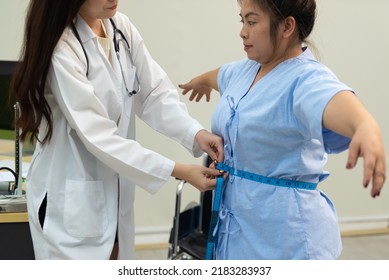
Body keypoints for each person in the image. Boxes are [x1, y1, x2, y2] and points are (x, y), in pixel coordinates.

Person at [10, 0, 223, 260]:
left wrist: (196, 134)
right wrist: (177, 170)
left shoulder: (120, 28)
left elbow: (155, 93)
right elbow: (100, 138)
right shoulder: (62, 48)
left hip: (116, 204)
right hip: (71, 210)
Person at [179, 0, 386, 260]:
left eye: (252, 22)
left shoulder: (304, 80)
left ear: (287, 26)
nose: (243, 31)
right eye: (241, 20)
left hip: (288, 242)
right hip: (238, 234)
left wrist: (365, 126)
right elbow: (219, 75)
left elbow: (334, 99)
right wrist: (201, 82)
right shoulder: (246, 69)